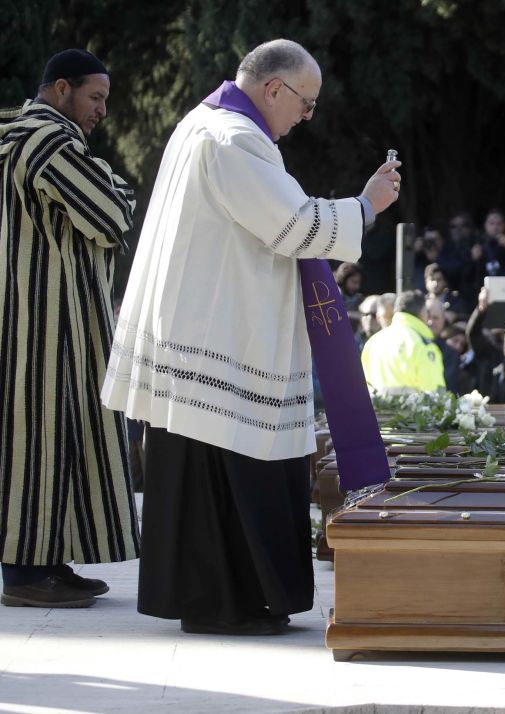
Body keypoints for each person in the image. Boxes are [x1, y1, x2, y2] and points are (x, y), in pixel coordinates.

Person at [102, 39, 402, 635]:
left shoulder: (202, 123)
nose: (306, 117)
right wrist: (366, 207)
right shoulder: (234, 139)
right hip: (225, 340)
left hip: (204, 330)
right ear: (274, 88)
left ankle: (220, 599)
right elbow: (293, 225)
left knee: (209, 472)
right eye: (306, 104)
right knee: (236, 469)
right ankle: (230, 602)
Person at [0, 49, 139, 609]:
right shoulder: (46, 139)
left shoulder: (26, 136)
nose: (102, 110)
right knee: (35, 441)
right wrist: (112, 183)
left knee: (47, 441)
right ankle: (25, 575)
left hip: (38, 315)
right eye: (95, 97)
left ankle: (46, 560)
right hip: (40, 323)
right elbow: (112, 211)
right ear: (61, 89)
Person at [363, 290, 446, 394]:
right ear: (422, 312)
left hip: (376, 409)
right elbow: (435, 395)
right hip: (412, 410)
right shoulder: (422, 344)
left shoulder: (372, 342)